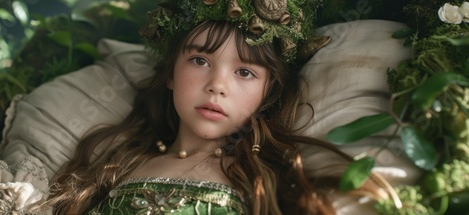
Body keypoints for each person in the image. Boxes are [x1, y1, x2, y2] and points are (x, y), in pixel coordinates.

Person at [42, 1, 395, 214]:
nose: (217, 85)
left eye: (244, 72)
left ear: (267, 93)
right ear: (170, 74)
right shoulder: (119, 163)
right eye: (199, 60)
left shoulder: (263, 180)